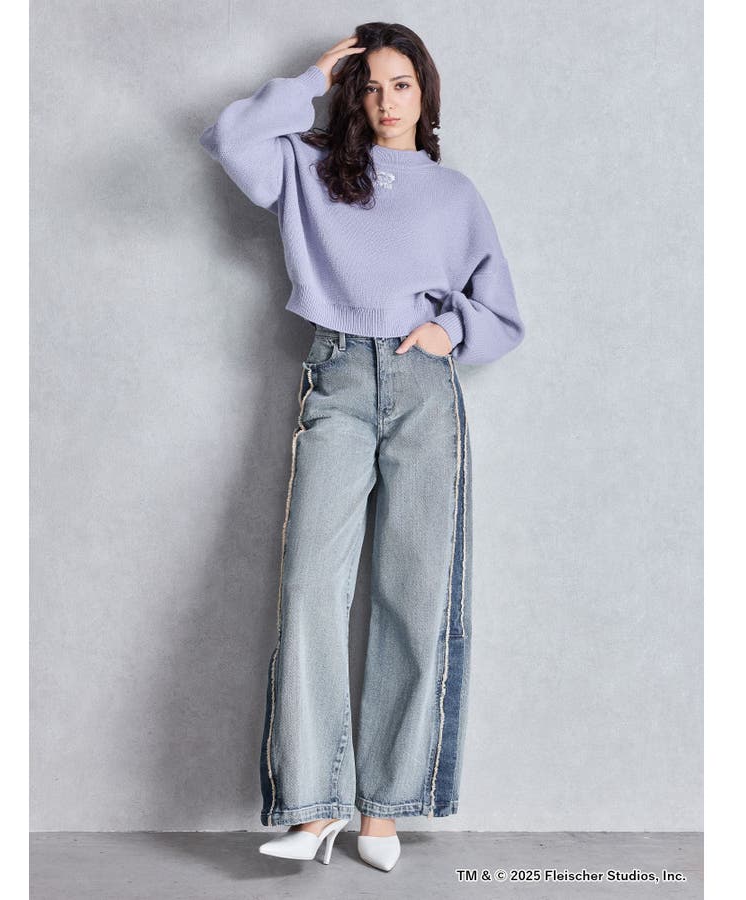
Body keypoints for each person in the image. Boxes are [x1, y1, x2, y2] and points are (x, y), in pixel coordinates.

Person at [199, 22, 525, 872]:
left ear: (426, 93)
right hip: (337, 378)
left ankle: (384, 811)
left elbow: (500, 312)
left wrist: (449, 330)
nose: (386, 101)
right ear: (353, 93)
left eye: (401, 84)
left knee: (413, 593)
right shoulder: (309, 169)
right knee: (311, 584)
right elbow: (230, 138)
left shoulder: (455, 195)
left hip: (423, 390)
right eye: (370, 85)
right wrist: (312, 75)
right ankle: (314, 809)